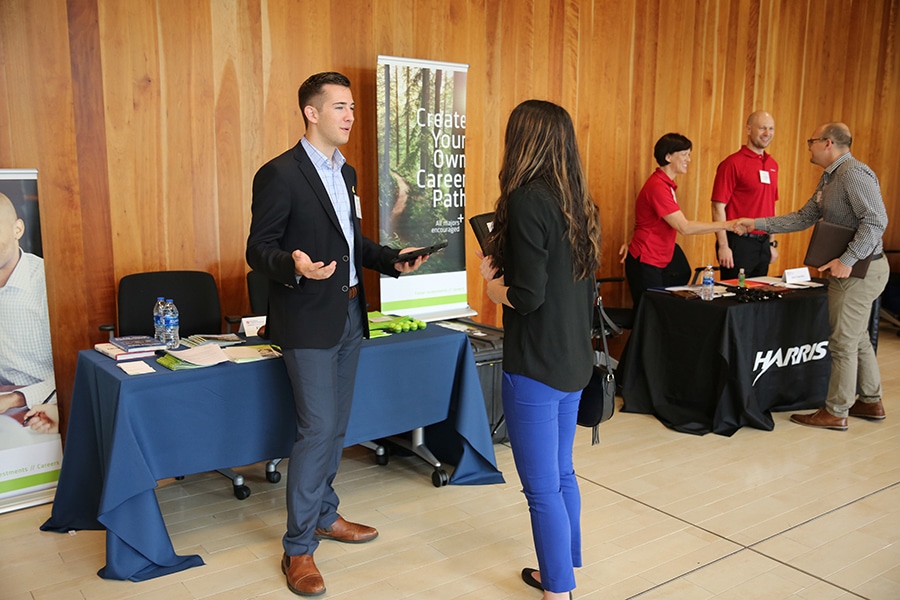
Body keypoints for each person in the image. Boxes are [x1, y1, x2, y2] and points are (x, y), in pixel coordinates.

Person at [246, 71, 428, 596]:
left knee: (336, 425)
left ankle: (325, 513)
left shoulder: (345, 173)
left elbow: (353, 241)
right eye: (341, 107)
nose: (350, 116)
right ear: (311, 112)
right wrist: (293, 264)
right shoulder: (279, 174)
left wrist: (392, 261)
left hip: (350, 315)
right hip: (306, 319)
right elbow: (258, 249)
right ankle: (298, 548)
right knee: (317, 429)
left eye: (351, 107)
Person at [478, 99, 602, 600]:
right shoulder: (579, 202)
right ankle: (565, 567)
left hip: (534, 363)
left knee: (541, 487)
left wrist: (493, 289)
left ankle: (558, 589)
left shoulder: (528, 199)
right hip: (573, 359)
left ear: (521, 142)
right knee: (562, 472)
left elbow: (527, 296)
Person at [735, 122, 889, 430]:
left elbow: (875, 221)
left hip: (860, 271)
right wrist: (757, 223)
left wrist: (847, 259)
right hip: (859, 269)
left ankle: (836, 411)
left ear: (828, 143)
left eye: (812, 141)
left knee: (843, 342)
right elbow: (803, 217)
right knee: (856, 337)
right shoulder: (831, 177)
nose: (809, 146)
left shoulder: (852, 174)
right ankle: (871, 401)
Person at [620, 133, 734, 308]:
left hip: (657, 261)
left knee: (657, 318)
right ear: (668, 157)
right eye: (684, 154)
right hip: (647, 262)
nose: (688, 159)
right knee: (651, 319)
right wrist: (727, 224)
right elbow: (684, 227)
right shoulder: (658, 186)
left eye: (689, 154)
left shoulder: (665, 185)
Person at [0, 192, 56, 416]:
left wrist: (17, 398)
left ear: (18, 230)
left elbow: (76, 368)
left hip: (51, 405)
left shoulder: (48, 282)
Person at [711, 111, 780, 279]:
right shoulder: (732, 163)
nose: (767, 133)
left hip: (763, 242)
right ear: (748, 130)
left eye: (770, 128)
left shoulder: (772, 164)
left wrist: (772, 243)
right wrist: (723, 246)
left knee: (758, 297)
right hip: (738, 242)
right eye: (762, 128)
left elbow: (772, 205)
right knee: (735, 297)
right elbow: (717, 206)